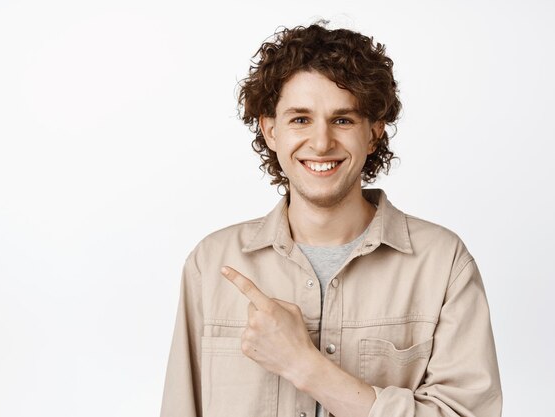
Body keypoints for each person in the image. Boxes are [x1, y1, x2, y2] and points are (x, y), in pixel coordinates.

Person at [160, 21, 502, 417]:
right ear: (270, 131)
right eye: (300, 119)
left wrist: (304, 366)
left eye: (343, 119)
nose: (321, 143)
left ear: (374, 133)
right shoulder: (212, 264)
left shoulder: (443, 264)